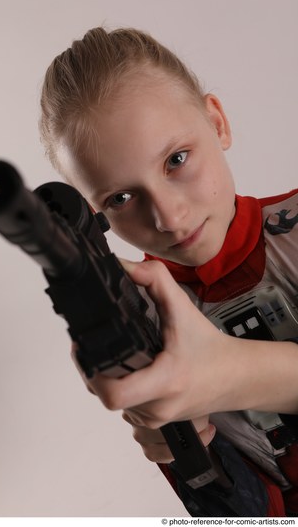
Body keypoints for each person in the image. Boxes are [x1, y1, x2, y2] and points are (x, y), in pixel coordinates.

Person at [39, 27, 298, 517]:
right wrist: (192, 458)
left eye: (176, 160)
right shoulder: (144, 323)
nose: (168, 217)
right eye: (119, 198)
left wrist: (225, 376)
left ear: (216, 122)